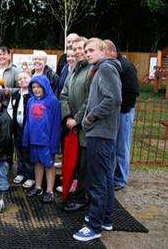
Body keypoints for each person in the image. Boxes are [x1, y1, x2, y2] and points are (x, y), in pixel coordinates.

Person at [73, 38, 122, 242]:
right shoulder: (101, 69)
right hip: (102, 132)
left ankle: (94, 226)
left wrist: (90, 117)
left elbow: (113, 99)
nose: (88, 53)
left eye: (91, 49)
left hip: (100, 132)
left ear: (103, 50)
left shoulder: (106, 69)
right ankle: (105, 218)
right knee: (106, 178)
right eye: (86, 50)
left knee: (98, 180)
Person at [59, 36, 92, 211]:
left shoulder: (92, 70)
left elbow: (90, 100)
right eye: (75, 48)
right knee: (75, 162)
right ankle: (76, 192)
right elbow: (63, 95)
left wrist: (76, 119)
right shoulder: (73, 70)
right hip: (72, 126)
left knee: (85, 164)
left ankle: (82, 198)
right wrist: (67, 117)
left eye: (81, 48)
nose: (78, 51)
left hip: (85, 127)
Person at [103, 40, 139, 191]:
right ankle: (112, 176)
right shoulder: (111, 66)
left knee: (122, 147)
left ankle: (120, 179)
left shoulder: (126, 67)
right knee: (113, 146)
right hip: (115, 112)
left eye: (103, 51)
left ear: (112, 52)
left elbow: (133, 91)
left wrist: (122, 109)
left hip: (123, 112)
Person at [23, 75, 61, 203]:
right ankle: (38, 186)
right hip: (34, 140)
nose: (36, 89)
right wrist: (26, 137)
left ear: (45, 86)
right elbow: (28, 121)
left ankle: (49, 190)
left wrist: (54, 143)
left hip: (47, 142)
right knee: (37, 163)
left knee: (49, 164)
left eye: (39, 86)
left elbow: (56, 124)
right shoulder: (30, 101)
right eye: (33, 87)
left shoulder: (53, 101)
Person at [11, 71, 34, 189]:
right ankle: (20, 172)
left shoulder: (32, 94)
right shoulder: (15, 94)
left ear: (30, 79)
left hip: (28, 128)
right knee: (19, 151)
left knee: (27, 152)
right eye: (19, 79)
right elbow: (11, 110)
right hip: (17, 128)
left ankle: (30, 176)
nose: (22, 80)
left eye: (25, 78)